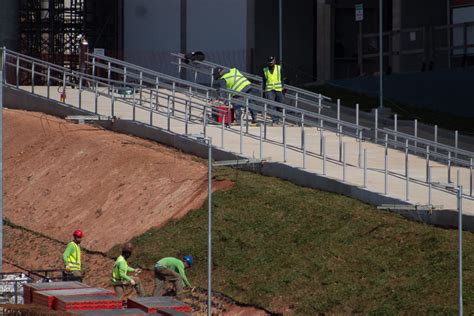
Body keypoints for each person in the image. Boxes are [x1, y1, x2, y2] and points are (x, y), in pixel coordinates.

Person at [262, 56, 284, 124]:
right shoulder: (265, 70)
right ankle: (275, 120)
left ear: (274, 62)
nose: (270, 64)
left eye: (272, 62)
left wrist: (283, 87)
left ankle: (278, 118)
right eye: (269, 63)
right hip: (269, 90)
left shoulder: (279, 68)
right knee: (272, 105)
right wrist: (264, 90)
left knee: (280, 105)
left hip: (278, 89)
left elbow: (282, 78)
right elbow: (264, 81)